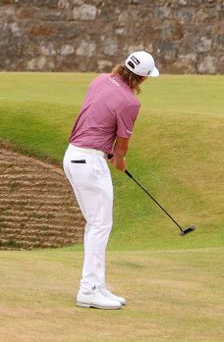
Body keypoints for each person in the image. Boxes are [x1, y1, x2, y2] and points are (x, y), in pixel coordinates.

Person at [63, 50, 159, 310]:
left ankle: (97, 285)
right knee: (99, 225)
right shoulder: (131, 102)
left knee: (97, 224)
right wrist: (119, 161)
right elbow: (121, 148)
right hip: (90, 162)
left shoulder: (100, 79)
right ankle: (88, 290)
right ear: (143, 78)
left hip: (73, 155)